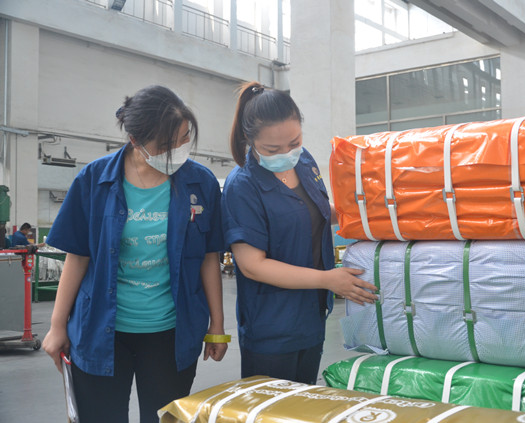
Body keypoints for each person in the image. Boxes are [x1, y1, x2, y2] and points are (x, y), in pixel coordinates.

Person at [42, 85, 228, 423]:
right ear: (134, 141)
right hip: (101, 329)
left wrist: (217, 324)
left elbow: (208, 257)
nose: (178, 150)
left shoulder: (200, 183)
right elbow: (78, 257)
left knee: (163, 418)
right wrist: (57, 326)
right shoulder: (94, 180)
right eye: (166, 145)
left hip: (170, 332)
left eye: (185, 138)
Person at [221, 82, 378, 385]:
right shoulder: (243, 186)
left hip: (312, 316)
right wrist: (327, 279)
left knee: (304, 401)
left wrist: (362, 213)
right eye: (273, 149)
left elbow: (313, 210)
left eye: (294, 142)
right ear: (250, 139)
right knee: (272, 406)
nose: (286, 153)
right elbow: (252, 265)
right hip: (272, 327)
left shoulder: (304, 162)